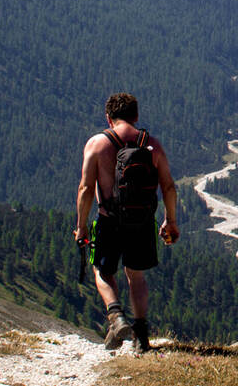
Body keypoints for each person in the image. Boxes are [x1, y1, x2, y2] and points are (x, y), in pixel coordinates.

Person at [75, 92, 180, 351]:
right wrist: (170, 220)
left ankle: (116, 316)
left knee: (103, 271)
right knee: (136, 276)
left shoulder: (97, 144)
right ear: (136, 115)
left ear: (108, 118)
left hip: (109, 220)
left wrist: (82, 225)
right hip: (143, 221)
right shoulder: (151, 144)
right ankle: (141, 336)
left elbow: (86, 189)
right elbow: (168, 186)